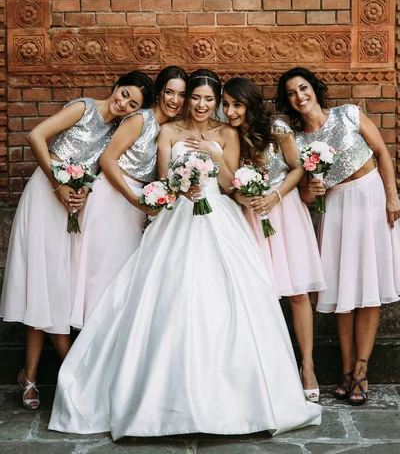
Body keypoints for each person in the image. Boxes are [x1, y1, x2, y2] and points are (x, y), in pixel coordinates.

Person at [48, 69, 321, 439]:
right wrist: (178, 186)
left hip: (218, 218)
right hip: (177, 217)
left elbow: (228, 186)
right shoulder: (169, 132)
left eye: (210, 100)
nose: (202, 105)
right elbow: (162, 177)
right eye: (196, 98)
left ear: (217, 102)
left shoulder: (227, 134)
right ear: (188, 99)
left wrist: (214, 155)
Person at [0, 71, 154, 410]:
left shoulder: (117, 130)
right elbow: (36, 135)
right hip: (46, 195)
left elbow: (96, 170)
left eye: (133, 103)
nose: (124, 102)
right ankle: (56, 373)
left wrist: (79, 191)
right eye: (124, 93)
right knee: (45, 281)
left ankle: (39, 374)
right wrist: (58, 185)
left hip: (72, 206)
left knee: (57, 285)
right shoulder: (84, 108)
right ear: (115, 86)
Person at [276, 66, 400, 406]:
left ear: (314, 89)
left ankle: (362, 370)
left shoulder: (348, 115)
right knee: (345, 287)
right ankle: (346, 370)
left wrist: (392, 195)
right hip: (335, 208)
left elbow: (382, 153)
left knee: (369, 287)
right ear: (287, 101)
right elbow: (303, 194)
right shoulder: (297, 141)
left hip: (370, 197)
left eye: (303, 88)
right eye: (291, 93)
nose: (299, 96)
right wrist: (312, 188)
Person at [222, 77, 326, 403]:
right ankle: (267, 371)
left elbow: (297, 169)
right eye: (225, 105)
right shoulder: (228, 135)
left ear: (249, 103)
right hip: (251, 217)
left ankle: (307, 366)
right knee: (258, 295)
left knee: (297, 293)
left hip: (286, 212)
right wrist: (246, 197)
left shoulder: (277, 127)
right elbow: (227, 182)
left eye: (236, 104)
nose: (230, 111)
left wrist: (275, 196)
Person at [70, 66, 188, 328]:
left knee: (122, 276)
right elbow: (108, 160)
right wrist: (134, 200)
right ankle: (88, 340)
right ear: (160, 93)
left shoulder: (170, 128)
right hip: (111, 198)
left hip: (137, 205)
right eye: (170, 93)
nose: (174, 101)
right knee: (100, 272)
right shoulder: (141, 120)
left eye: (181, 95)